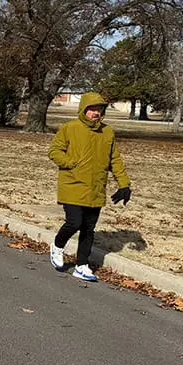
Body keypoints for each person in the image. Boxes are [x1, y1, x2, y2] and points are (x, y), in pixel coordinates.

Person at [48, 92, 131, 282]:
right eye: (92, 109)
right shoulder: (70, 128)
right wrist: (70, 163)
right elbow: (54, 151)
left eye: (99, 109)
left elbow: (114, 159)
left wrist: (124, 184)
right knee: (74, 223)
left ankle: (82, 265)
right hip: (73, 184)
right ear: (83, 109)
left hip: (96, 187)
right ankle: (57, 246)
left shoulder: (107, 131)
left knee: (88, 228)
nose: (96, 113)